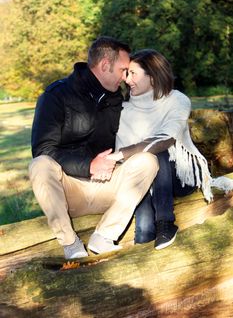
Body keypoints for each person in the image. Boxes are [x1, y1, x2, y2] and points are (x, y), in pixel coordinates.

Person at [29, 37, 159, 260]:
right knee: (39, 165)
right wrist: (89, 165)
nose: (126, 77)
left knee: (148, 161)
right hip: (70, 191)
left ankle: (105, 236)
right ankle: (70, 244)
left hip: (107, 187)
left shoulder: (116, 98)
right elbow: (43, 150)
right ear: (105, 66)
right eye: (123, 70)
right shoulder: (56, 96)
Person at [109, 49, 232, 250]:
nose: (126, 79)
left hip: (180, 177)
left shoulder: (177, 99)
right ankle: (145, 242)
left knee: (157, 151)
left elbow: (167, 137)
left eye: (133, 73)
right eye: (126, 73)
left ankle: (166, 223)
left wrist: (124, 153)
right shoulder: (124, 109)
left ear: (152, 76)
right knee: (144, 230)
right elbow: (126, 156)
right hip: (144, 179)